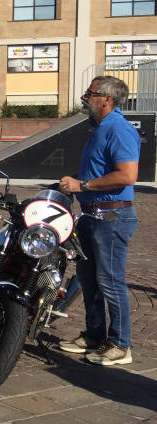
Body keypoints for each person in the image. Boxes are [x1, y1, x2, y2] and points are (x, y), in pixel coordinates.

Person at [57, 76, 139, 366]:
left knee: (110, 280)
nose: (83, 98)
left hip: (112, 216)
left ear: (106, 99)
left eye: (89, 94)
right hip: (93, 215)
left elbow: (127, 176)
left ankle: (120, 344)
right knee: (89, 280)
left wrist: (84, 185)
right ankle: (94, 334)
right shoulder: (101, 128)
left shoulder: (119, 129)